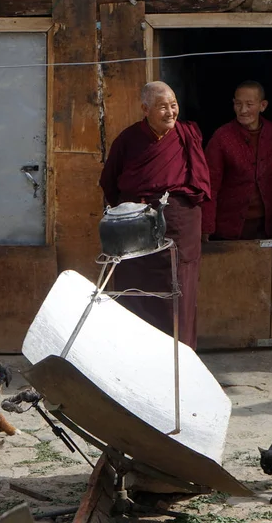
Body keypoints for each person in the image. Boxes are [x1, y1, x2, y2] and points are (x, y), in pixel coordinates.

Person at [99, 81, 210, 351]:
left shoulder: (187, 135)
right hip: (137, 227)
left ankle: (181, 352)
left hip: (179, 225)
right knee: (135, 287)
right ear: (145, 109)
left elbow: (201, 182)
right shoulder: (127, 141)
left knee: (179, 287)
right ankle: (137, 351)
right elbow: (110, 183)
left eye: (173, 105)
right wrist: (135, 209)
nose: (171, 112)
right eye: (162, 107)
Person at [201, 80, 272, 242]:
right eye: (238, 104)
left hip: (268, 228)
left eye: (249, 104)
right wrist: (206, 227)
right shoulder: (222, 137)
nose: (243, 110)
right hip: (229, 228)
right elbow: (210, 184)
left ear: (262, 106)